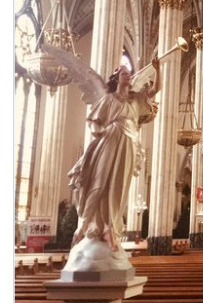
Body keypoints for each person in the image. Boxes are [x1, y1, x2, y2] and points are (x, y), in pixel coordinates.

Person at [69, 58, 161, 251]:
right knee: (99, 182)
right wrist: (97, 132)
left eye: (128, 73)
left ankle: (111, 229)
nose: (128, 75)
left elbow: (155, 90)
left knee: (119, 187)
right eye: (124, 73)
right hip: (110, 139)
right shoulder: (109, 99)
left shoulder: (135, 99)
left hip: (129, 142)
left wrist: (158, 70)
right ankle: (84, 225)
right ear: (117, 79)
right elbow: (95, 120)